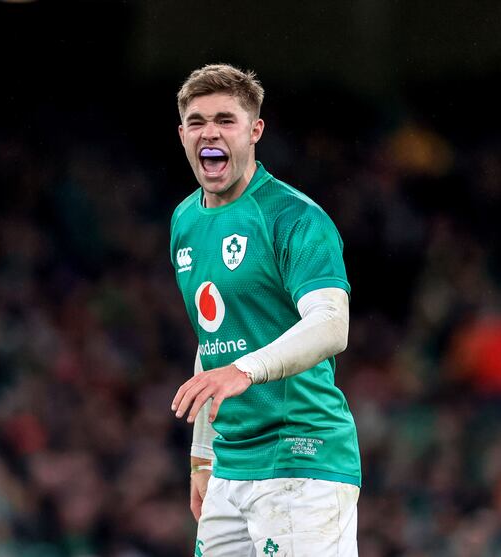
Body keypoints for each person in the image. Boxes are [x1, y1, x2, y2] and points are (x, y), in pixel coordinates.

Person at [169, 63, 361, 556]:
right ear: (183, 134)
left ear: (255, 131)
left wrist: (245, 370)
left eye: (225, 120)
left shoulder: (294, 216)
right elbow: (215, 341)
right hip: (231, 467)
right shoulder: (185, 220)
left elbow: (331, 323)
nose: (209, 131)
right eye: (197, 121)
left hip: (303, 458)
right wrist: (202, 456)